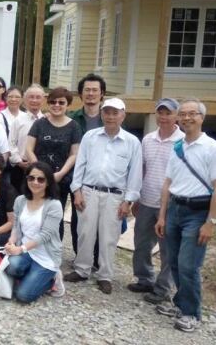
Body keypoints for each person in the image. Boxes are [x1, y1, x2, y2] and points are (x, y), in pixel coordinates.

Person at [154, 99, 216, 333]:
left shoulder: (214, 148)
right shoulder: (178, 147)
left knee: (188, 264)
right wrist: (162, 215)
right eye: (183, 114)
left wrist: (211, 222)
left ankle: (192, 312)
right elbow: (168, 183)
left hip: (197, 212)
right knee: (174, 261)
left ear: (202, 117)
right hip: (175, 207)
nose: (186, 118)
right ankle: (181, 303)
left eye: (192, 114)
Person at [65, 97, 143, 295]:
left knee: (109, 236)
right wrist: (76, 190)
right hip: (89, 191)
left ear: (123, 115)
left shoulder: (132, 142)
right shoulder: (90, 137)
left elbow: (135, 173)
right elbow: (80, 164)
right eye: (107, 112)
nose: (110, 116)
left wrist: (128, 201)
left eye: (115, 113)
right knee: (85, 232)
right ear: (102, 114)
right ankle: (82, 269)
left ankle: (105, 275)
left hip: (114, 196)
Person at [128, 98, 183, 304]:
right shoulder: (148, 139)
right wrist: (136, 196)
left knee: (168, 250)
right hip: (146, 200)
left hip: (170, 205)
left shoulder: (183, 142)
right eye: (160, 112)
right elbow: (141, 169)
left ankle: (162, 288)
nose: (164, 117)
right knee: (141, 244)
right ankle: (144, 279)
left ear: (176, 115)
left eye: (168, 113)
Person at [3, 162, 65, 303]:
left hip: (46, 256)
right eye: (31, 178)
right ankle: (33, 276)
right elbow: (16, 226)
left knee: (23, 296)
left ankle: (52, 280)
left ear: (48, 182)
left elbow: (45, 235)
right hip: (26, 251)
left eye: (41, 179)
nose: (35, 182)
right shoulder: (20, 200)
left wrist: (20, 249)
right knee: (11, 268)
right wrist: (11, 242)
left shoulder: (54, 205)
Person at [25, 86, 81, 240]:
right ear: (48, 104)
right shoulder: (39, 124)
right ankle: (30, 249)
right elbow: (29, 148)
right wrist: (39, 171)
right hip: (37, 179)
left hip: (59, 179)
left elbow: (74, 154)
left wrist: (61, 173)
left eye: (61, 102)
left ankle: (53, 253)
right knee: (34, 215)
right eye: (53, 102)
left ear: (67, 105)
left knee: (56, 217)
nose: (57, 105)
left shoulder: (74, 126)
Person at [68, 73, 107, 258]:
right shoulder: (72, 118)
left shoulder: (109, 118)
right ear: (81, 94)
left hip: (102, 176)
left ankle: (99, 259)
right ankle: (80, 257)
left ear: (102, 94)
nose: (90, 94)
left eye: (94, 90)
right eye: (87, 90)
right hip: (77, 175)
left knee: (102, 220)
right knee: (79, 217)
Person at [7, 83, 45, 193]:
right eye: (31, 97)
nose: (34, 100)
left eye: (38, 97)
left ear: (43, 100)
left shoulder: (47, 120)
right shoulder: (18, 120)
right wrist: (19, 161)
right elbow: (11, 143)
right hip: (21, 168)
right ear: (25, 99)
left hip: (42, 168)